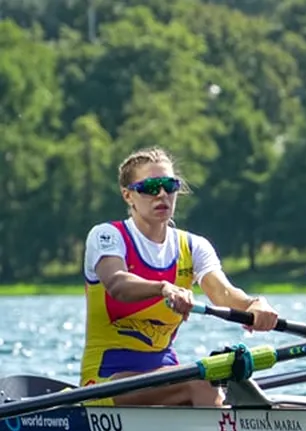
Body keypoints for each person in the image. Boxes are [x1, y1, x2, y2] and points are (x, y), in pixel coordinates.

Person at [81, 146, 280, 407]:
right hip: (105, 382)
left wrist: (255, 304)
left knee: (212, 377)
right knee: (201, 381)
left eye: (169, 185)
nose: (162, 194)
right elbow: (117, 284)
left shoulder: (194, 246)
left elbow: (222, 293)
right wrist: (164, 288)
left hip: (164, 374)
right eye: (151, 187)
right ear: (128, 195)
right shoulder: (107, 236)